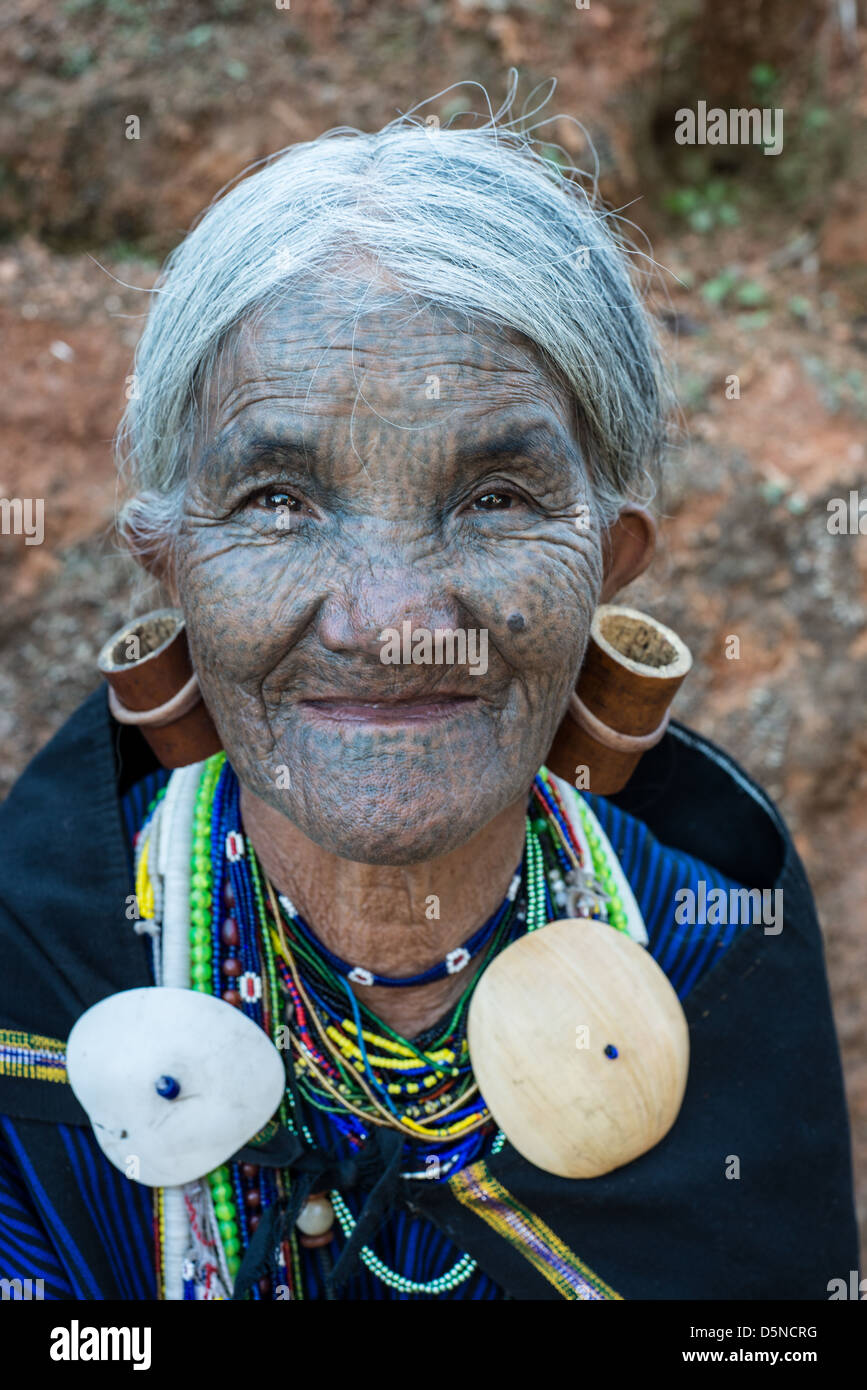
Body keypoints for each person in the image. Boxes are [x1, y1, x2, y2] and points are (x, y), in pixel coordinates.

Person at [0, 108, 857, 1301]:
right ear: (168, 557)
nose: (385, 616)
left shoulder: (713, 938)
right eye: (279, 500)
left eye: (497, 496)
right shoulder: (30, 971)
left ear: (612, 556)